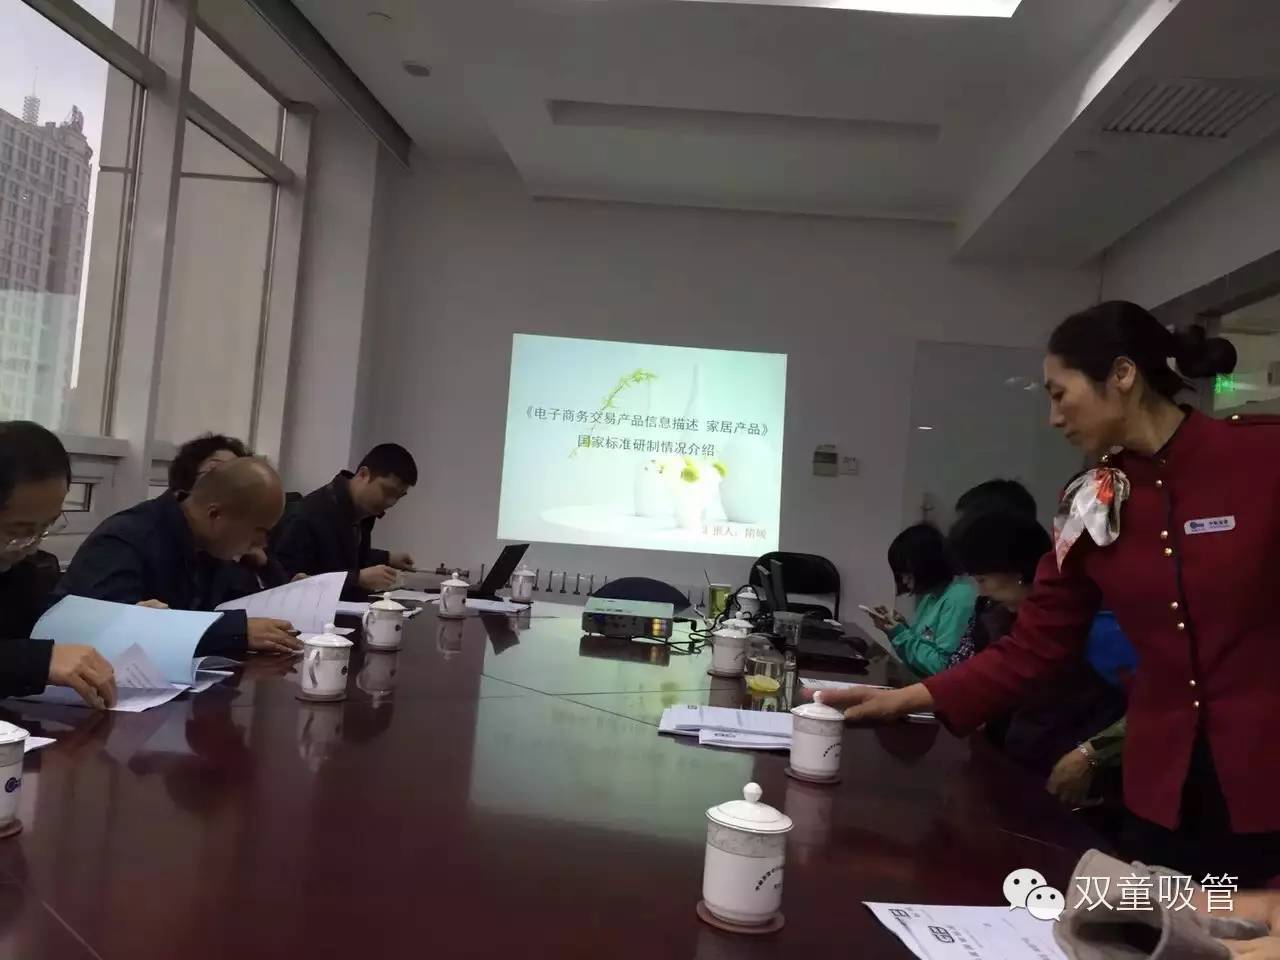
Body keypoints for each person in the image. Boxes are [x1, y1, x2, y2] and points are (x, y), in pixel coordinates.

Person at [817, 301, 1278, 884]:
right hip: (1159, 790)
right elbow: (1034, 644)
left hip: (1265, 784)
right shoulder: (1090, 499)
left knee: (1246, 924)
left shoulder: (1261, 459)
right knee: (1151, 924)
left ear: (1122, 374)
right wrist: (906, 699)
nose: (1054, 418)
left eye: (1060, 395)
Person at [54, 457, 302, 657]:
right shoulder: (127, 539)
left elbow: (242, 607)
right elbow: (108, 631)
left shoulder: (213, 547)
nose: (262, 544)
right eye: (259, 531)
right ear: (215, 515)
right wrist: (234, 632)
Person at [948, 509, 1126, 782]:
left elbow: (1140, 708)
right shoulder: (1003, 618)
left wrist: (1090, 755)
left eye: (982, 579)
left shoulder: (1095, 622)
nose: (982, 592)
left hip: (1083, 777)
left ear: (1016, 570)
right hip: (1025, 767)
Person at [0, 422, 116, 708]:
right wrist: (37, 661)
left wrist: (118, 622)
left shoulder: (28, 569)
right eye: (19, 529)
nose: (32, 544)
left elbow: (40, 629)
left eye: (47, 526)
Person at [273, 443, 418, 599]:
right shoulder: (308, 515)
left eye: (398, 497)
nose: (391, 502)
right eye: (387, 491)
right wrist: (357, 579)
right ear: (363, 474)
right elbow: (289, 582)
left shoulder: (363, 511)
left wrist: (387, 557)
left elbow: (343, 556)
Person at [167, 432, 291, 592]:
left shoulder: (232, 546)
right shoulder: (145, 538)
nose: (232, 482)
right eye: (216, 471)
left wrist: (266, 567)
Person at [864, 523, 975, 676]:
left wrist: (899, 634)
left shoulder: (960, 598)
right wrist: (899, 627)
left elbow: (942, 667)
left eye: (906, 572)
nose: (904, 580)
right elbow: (919, 653)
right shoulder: (931, 597)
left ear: (925, 565)